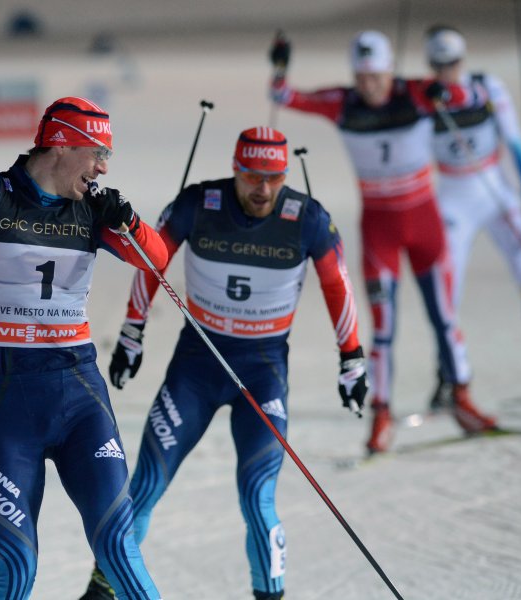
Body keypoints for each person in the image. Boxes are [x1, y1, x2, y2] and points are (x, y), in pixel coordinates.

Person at [0, 35, 167, 600]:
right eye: (98, 154)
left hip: (80, 394)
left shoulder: (94, 212)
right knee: (16, 570)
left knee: (118, 546)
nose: (104, 167)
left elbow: (157, 262)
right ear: (64, 146)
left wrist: (130, 222)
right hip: (7, 403)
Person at [77, 127, 368, 600]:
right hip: (198, 367)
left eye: (273, 178)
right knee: (146, 483)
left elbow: (338, 284)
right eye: (253, 176)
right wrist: (133, 332)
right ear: (236, 169)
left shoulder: (307, 217)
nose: (263, 189)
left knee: (258, 497)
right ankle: (102, 587)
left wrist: (351, 357)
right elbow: (152, 260)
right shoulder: (199, 203)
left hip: (263, 370)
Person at [268, 30, 498, 453]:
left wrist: (443, 90)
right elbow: (283, 97)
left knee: (445, 317)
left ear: (389, 70)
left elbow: (467, 97)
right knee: (383, 329)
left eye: (375, 75)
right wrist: (281, 64)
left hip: (425, 225)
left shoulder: (414, 93)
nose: (369, 85)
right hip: (380, 231)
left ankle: (463, 399)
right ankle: (381, 416)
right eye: (361, 76)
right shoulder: (343, 102)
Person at [423, 24, 521, 410]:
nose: (447, 71)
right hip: (454, 199)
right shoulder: (423, 97)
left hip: (494, 191)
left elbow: (515, 140)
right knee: (446, 290)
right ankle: (449, 379)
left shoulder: (486, 86)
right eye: (439, 64)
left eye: (453, 63)